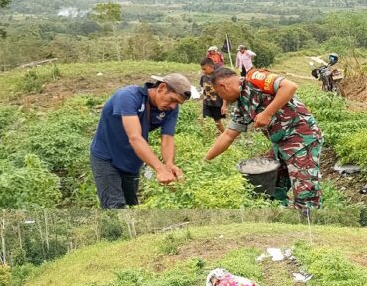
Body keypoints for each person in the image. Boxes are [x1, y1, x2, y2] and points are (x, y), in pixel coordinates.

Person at [204, 67, 323, 209]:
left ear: (223, 86)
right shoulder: (242, 106)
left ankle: (310, 223)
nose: (221, 98)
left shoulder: (255, 79)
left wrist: (267, 113)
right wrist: (205, 160)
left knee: (306, 193)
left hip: (302, 139)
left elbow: (290, 86)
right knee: (270, 183)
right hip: (281, 145)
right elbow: (228, 136)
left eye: (219, 93)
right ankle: (281, 217)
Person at [90, 74, 192, 208]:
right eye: (172, 100)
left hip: (132, 160)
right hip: (107, 157)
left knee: (132, 205)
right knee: (114, 207)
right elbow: (135, 137)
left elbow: (167, 137)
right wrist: (160, 169)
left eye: (177, 103)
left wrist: (169, 164)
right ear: (161, 88)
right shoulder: (128, 97)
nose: (173, 106)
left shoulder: (170, 108)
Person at [199, 58, 227, 134]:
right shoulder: (203, 77)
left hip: (216, 103)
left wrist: (224, 105)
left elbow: (223, 92)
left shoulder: (218, 77)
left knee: (217, 121)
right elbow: (203, 89)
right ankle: (206, 135)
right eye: (202, 69)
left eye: (204, 69)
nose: (203, 71)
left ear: (211, 66)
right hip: (207, 102)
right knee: (204, 120)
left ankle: (225, 134)